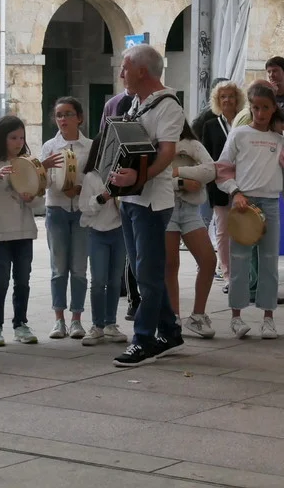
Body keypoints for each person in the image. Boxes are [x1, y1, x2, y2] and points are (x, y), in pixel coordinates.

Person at [110, 44, 187, 367]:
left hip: (152, 202)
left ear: (142, 71)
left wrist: (139, 177)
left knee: (148, 274)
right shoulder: (136, 104)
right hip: (131, 199)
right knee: (143, 272)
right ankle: (169, 332)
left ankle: (142, 340)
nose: (121, 73)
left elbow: (167, 153)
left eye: (125, 67)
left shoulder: (168, 105)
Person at [217, 84, 284, 339]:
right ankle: (236, 316)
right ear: (250, 107)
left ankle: (268, 318)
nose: (260, 113)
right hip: (243, 203)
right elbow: (222, 168)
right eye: (256, 108)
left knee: (269, 261)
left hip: (271, 203)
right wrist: (235, 192)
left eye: (265, 108)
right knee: (239, 260)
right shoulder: (239, 134)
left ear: (274, 109)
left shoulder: (278, 139)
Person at [0, 115, 41, 347]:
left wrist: (31, 198)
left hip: (24, 231)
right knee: (1, 280)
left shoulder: (28, 163)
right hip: (0, 231)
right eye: (13, 137)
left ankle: (20, 324)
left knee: (23, 280)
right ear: (1, 138)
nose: (18, 142)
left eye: (21, 138)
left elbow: (38, 200)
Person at [40, 97, 92, 340]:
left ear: (79, 118)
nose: (63, 119)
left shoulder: (90, 147)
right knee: (58, 268)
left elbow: (96, 178)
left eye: (68, 114)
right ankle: (58, 319)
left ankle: (77, 319)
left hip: (81, 211)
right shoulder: (50, 146)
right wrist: (44, 167)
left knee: (79, 268)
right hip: (57, 210)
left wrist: (80, 189)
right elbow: (41, 182)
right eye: (59, 115)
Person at [166, 122, 218, 338]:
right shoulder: (157, 144)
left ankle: (198, 315)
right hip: (166, 208)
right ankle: (173, 318)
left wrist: (177, 171)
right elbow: (154, 179)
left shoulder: (192, 144)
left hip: (190, 209)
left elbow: (210, 170)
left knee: (209, 260)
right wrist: (181, 183)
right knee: (170, 264)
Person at [79, 136, 129, 346]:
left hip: (119, 232)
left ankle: (111, 324)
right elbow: (84, 206)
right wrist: (102, 198)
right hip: (98, 233)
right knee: (98, 281)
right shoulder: (91, 177)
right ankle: (97, 325)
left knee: (115, 280)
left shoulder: (124, 174)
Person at [199, 80, 244, 286]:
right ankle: (227, 274)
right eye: (223, 97)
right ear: (217, 100)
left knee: (243, 230)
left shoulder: (245, 123)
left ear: (237, 99)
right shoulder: (210, 126)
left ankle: (244, 273)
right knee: (223, 231)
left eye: (231, 96)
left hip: (244, 182)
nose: (227, 100)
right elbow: (207, 157)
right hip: (219, 185)